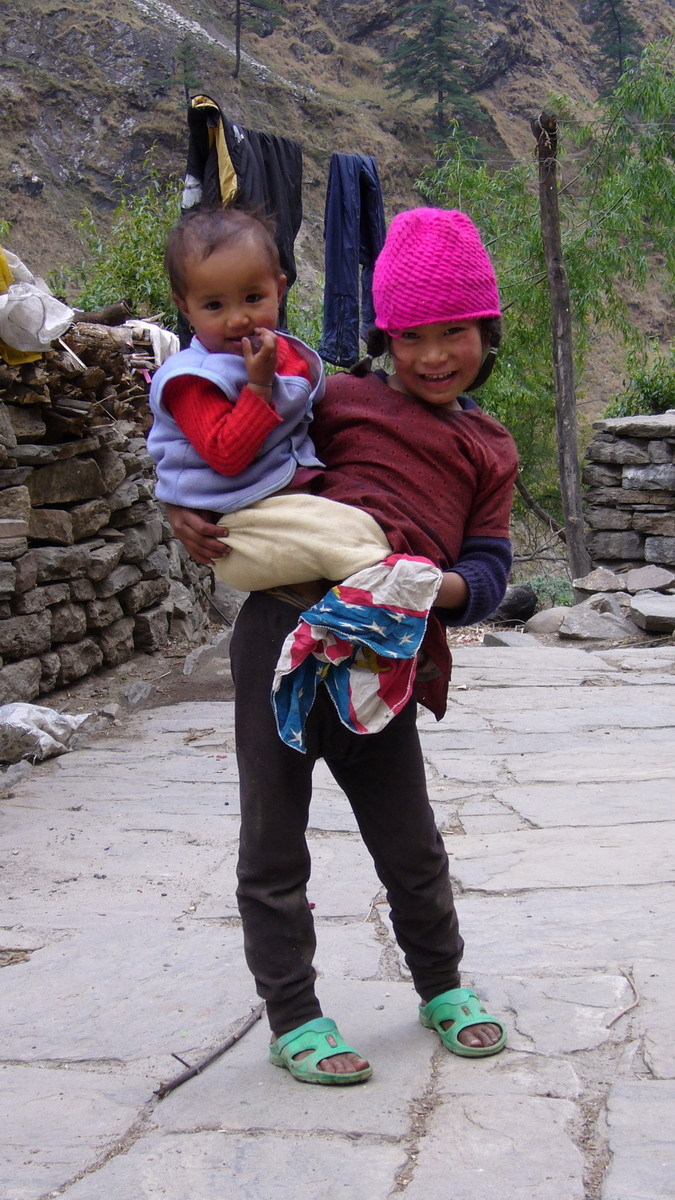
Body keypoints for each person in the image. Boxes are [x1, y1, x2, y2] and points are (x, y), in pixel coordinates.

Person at [164, 207, 519, 1085]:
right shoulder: (338, 397)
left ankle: (441, 986)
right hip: (281, 629)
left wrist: (429, 588)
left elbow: (488, 565)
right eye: (410, 336)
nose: (431, 356)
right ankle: (294, 1018)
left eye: (453, 332)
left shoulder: (489, 448)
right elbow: (229, 453)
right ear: (383, 339)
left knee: (409, 839)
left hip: (380, 655)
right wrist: (180, 510)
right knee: (273, 840)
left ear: (487, 333)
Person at [147, 206, 392, 595]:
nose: (238, 319)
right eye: (214, 305)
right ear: (185, 307)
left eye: (252, 297)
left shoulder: (286, 354)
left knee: (361, 528)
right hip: (237, 526)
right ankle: (392, 590)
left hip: (286, 511)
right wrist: (258, 387)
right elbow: (227, 455)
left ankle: (368, 602)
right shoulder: (193, 379)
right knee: (348, 540)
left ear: (278, 291)